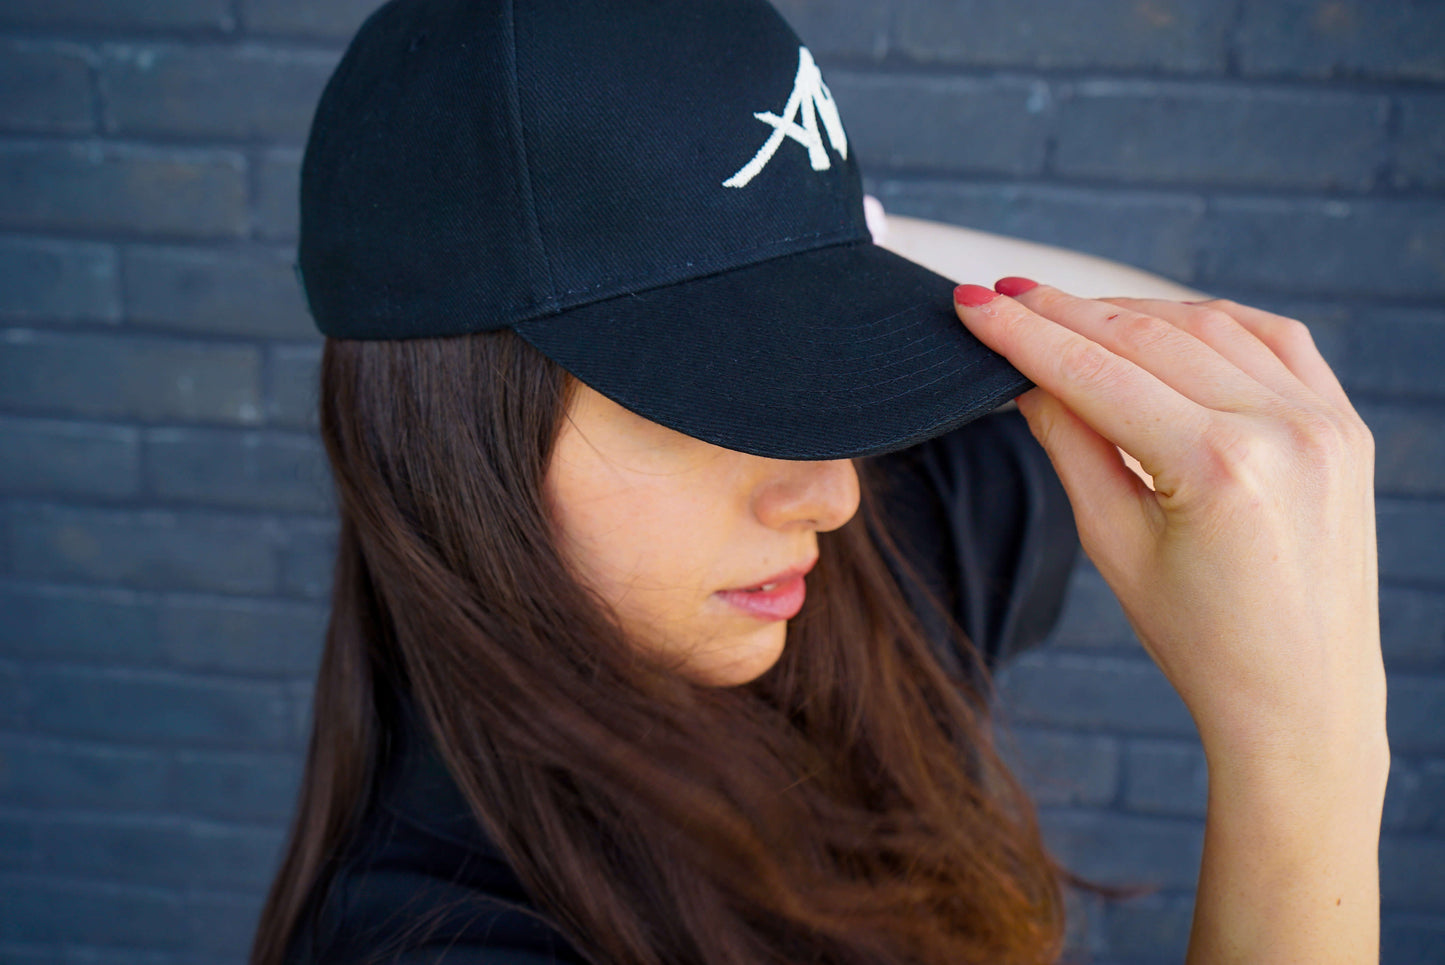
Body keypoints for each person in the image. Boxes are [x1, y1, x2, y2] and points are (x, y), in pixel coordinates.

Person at [252, 1, 1388, 963]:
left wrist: (828, 236)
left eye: (809, 382)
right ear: (442, 441)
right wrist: (1305, 757)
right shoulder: (438, 929)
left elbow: (1169, 377)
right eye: (703, 400)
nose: (831, 497)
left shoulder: (872, 595)